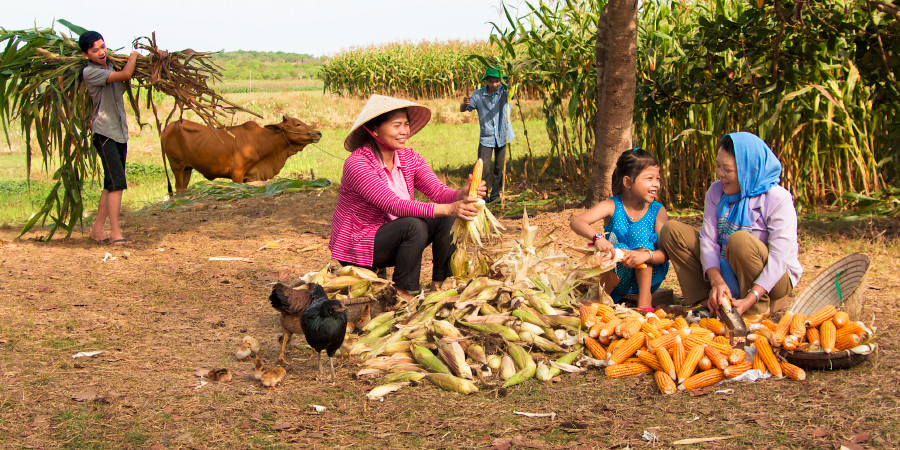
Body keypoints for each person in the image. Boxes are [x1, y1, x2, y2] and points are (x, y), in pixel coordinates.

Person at [330, 95, 486, 300]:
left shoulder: (408, 157)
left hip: (395, 232)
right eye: (396, 126)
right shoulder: (358, 163)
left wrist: (460, 194)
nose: (404, 131)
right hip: (361, 242)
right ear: (374, 130)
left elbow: (438, 192)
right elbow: (393, 204)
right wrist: (449, 207)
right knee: (415, 225)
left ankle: (441, 284)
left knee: (446, 217)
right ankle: (404, 291)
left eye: (406, 124)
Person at [658, 132, 802, 321]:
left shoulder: (777, 199)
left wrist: (752, 297)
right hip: (726, 269)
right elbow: (708, 241)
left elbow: (778, 259)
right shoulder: (716, 192)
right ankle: (708, 299)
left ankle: (757, 307)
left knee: (739, 239)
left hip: (773, 279)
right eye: (718, 166)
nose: (720, 174)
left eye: (728, 169)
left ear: (747, 169)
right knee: (672, 231)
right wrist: (717, 281)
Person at [570, 149, 670, 311]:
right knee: (615, 251)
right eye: (649, 178)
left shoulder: (657, 211)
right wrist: (598, 238)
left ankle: (644, 303)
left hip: (648, 276)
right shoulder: (612, 206)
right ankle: (600, 298)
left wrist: (645, 255)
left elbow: (665, 253)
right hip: (616, 276)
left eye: (657, 178)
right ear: (627, 182)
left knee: (642, 247)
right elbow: (577, 222)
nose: (656, 184)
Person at [80, 31, 139, 245]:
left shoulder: (111, 66)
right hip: (104, 133)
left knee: (110, 182)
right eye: (95, 50)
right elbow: (126, 76)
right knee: (117, 184)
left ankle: (97, 230)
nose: (101, 52)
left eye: (102, 47)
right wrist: (133, 57)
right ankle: (115, 234)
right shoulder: (90, 72)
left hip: (119, 133)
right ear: (86, 54)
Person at [459, 66, 514, 203]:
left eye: (497, 81)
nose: (494, 84)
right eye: (491, 81)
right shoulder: (478, 95)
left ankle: (495, 196)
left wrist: (512, 77)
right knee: (483, 169)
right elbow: (463, 109)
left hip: (503, 135)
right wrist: (464, 104)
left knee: (499, 168)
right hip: (486, 137)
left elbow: (514, 87)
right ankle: (483, 197)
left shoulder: (506, 91)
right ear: (486, 81)